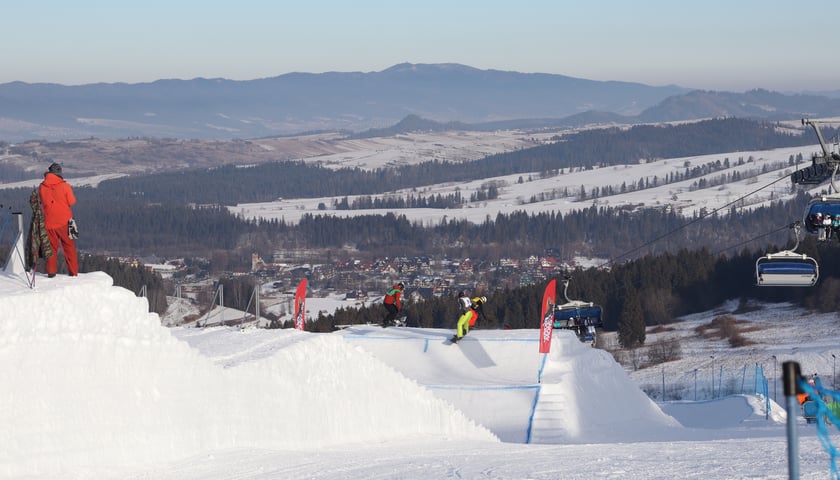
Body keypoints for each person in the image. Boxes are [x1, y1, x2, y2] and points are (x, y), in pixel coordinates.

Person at [39, 162, 78, 277]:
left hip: (49, 221)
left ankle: (51, 272)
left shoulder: (42, 186)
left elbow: (42, 202)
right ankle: (73, 272)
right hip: (65, 221)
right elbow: (72, 202)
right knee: (69, 247)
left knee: (51, 248)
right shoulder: (65, 186)